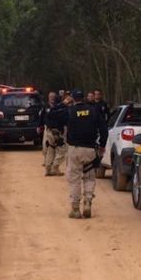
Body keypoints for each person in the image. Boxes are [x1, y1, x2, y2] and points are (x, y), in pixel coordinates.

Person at [64, 88, 108, 219]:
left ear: (72, 98)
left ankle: (75, 208)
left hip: (74, 149)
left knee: (74, 179)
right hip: (90, 149)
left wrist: (63, 103)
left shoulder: (69, 111)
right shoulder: (94, 110)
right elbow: (104, 130)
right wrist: (102, 146)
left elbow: (52, 117)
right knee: (89, 177)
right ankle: (88, 201)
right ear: (83, 98)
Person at [39, 91, 67, 176]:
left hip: (49, 131)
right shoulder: (61, 109)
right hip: (57, 132)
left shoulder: (49, 109)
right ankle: (55, 166)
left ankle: (48, 169)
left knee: (50, 149)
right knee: (62, 150)